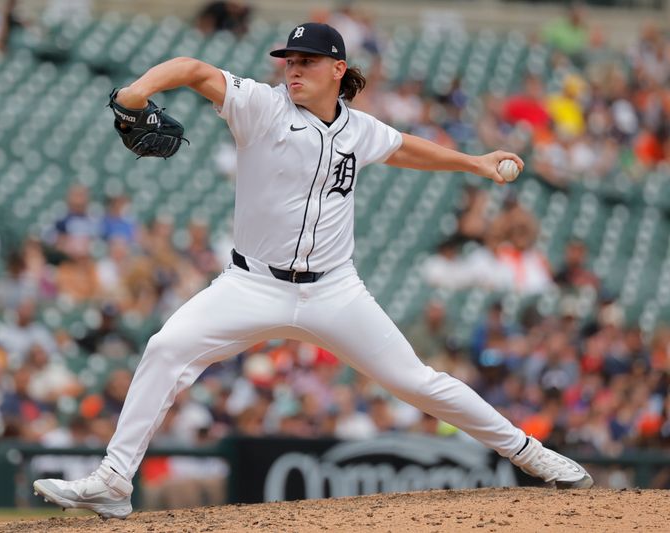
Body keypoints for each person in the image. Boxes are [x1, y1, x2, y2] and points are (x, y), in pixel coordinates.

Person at [34, 22, 593, 519]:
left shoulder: (358, 129)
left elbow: (404, 148)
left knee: (418, 382)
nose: (293, 70)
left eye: (305, 62)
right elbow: (193, 69)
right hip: (250, 283)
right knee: (165, 348)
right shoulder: (260, 106)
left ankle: (531, 453)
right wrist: (136, 93)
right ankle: (113, 480)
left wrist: (473, 162)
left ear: (337, 69)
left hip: (334, 291)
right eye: (289, 61)